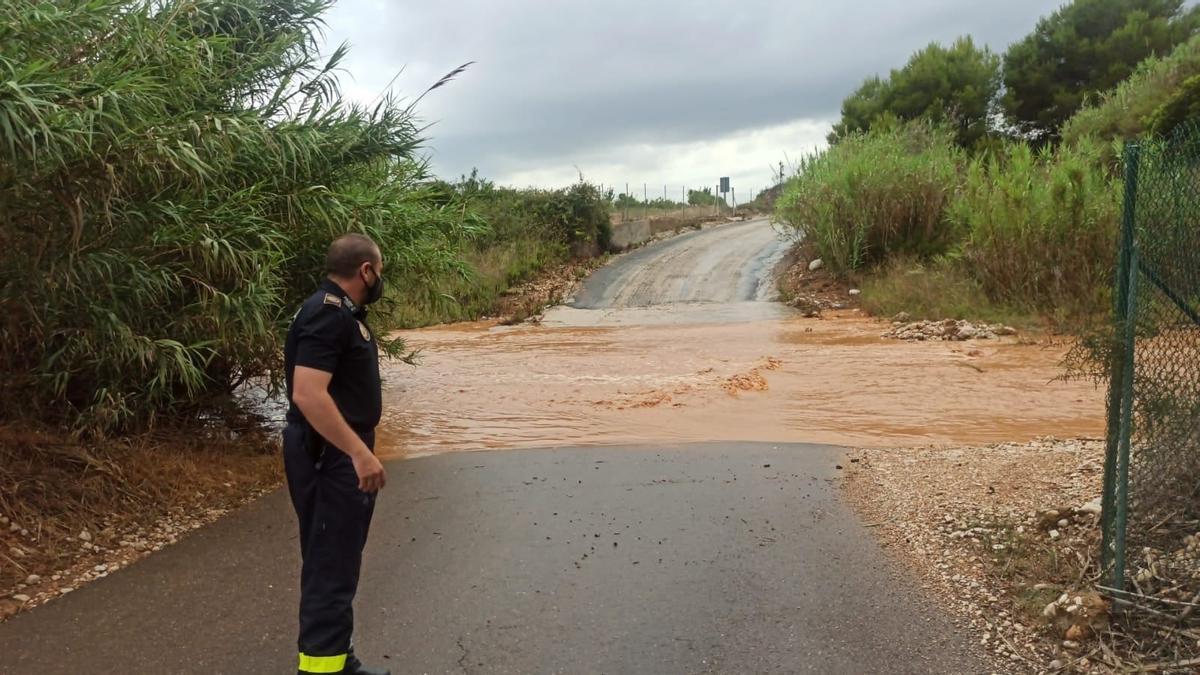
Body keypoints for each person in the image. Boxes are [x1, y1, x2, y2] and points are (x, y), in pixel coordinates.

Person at [282, 233, 390, 675]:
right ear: (366, 270)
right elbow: (308, 393)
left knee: (338, 562)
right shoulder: (328, 315)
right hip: (331, 456)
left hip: (335, 452)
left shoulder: (338, 313)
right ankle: (322, 672)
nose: (380, 278)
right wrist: (357, 454)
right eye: (379, 270)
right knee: (331, 567)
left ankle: (337, 660)